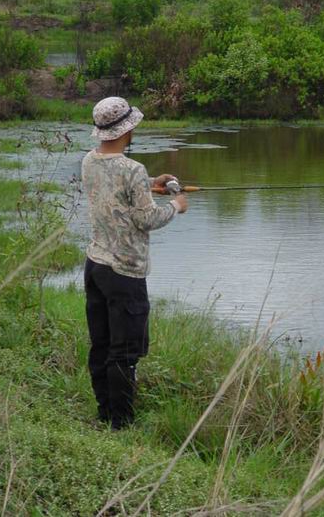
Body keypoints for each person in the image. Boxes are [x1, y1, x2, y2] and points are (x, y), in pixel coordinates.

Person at [81, 96, 188, 430]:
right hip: (125, 272)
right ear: (128, 130)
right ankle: (121, 424)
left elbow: (116, 191)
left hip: (95, 264)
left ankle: (105, 412)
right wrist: (176, 205)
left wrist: (152, 184)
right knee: (124, 353)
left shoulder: (88, 160)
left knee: (101, 345)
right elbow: (148, 220)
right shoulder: (133, 170)